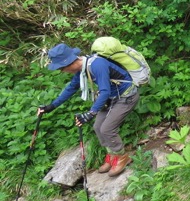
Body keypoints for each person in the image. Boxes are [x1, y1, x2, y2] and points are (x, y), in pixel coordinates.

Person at [38, 43, 140, 177]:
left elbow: (104, 91)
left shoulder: (97, 65)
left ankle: (122, 157)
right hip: (113, 98)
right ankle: (112, 155)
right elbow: (71, 88)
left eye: (62, 68)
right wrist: (52, 106)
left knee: (107, 129)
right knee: (98, 127)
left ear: (69, 62)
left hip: (127, 96)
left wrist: (91, 112)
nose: (62, 71)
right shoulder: (83, 69)